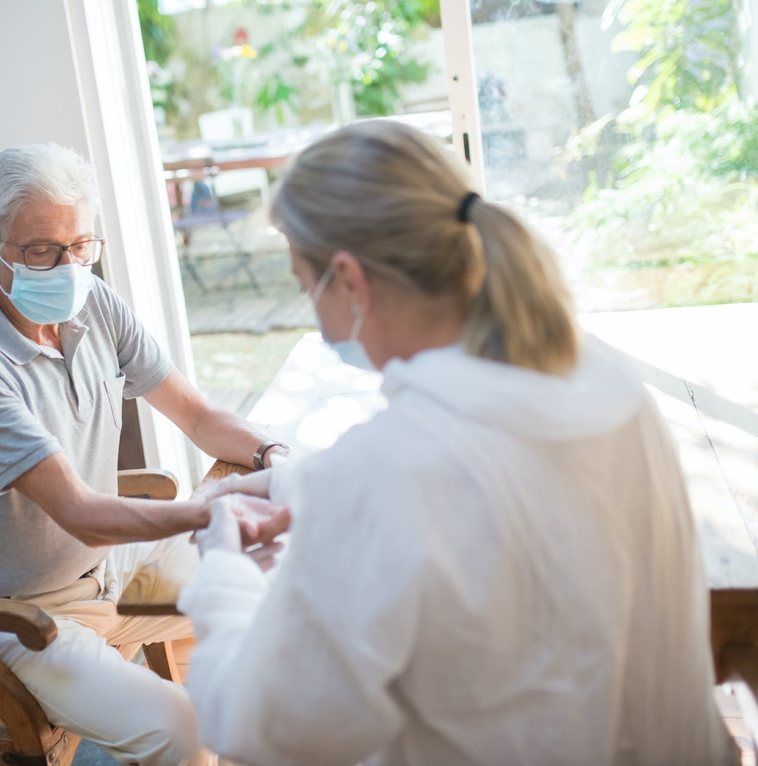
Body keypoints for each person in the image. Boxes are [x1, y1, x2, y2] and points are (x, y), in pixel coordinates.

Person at [178, 121, 737, 765]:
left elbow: (265, 725)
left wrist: (222, 572)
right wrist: (298, 485)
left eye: (307, 287)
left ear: (350, 281)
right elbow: (497, 485)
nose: (314, 311)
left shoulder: (388, 469)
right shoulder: (606, 384)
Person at [0, 143, 289, 766]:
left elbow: (197, 416)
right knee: (183, 733)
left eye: (81, 245)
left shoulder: (92, 302)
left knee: (285, 592)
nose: (68, 267)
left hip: (105, 569)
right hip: (3, 622)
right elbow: (81, 513)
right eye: (41, 251)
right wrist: (217, 511)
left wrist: (274, 457)